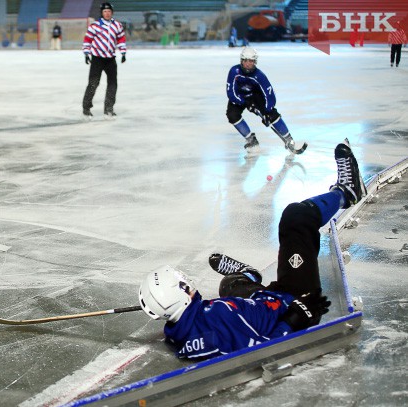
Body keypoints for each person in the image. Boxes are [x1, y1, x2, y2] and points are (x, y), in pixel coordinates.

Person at [139, 140, 365, 360]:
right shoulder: (211, 336)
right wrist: (296, 317)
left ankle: (247, 276)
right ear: (176, 299)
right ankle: (347, 192)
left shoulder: (182, 324)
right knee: (296, 217)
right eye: (181, 283)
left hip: (265, 298)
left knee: (228, 286)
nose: (187, 280)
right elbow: (262, 350)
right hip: (294, 299)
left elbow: (191, 330)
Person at [226, 47, 304, 154]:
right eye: (245, 61)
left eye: (251, 61)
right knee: (232, 115)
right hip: (240, 97)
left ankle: (288, 139)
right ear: (241, 61)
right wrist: (245, 102)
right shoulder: (234, 71)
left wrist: (266, 111)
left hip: (255, 96)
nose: (248, 64)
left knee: (271, 114)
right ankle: (251, 140)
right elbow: (230, 92)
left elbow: (270, 95)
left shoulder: (259, 76)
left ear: (255, 62)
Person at [82, 2, 127, 118]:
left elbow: (121, 38)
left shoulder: (117, 25)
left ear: (112, 13)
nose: (107, 13)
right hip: (97, 59)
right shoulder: (95, 26)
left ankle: (109, 108)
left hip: (110, 59)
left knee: (113, 84)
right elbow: (88, 40)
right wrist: (86, 53)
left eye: (109, 11)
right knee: (93, 83)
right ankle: (86, 108)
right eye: (105, 11)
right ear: (102, 13)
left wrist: (123, 52)